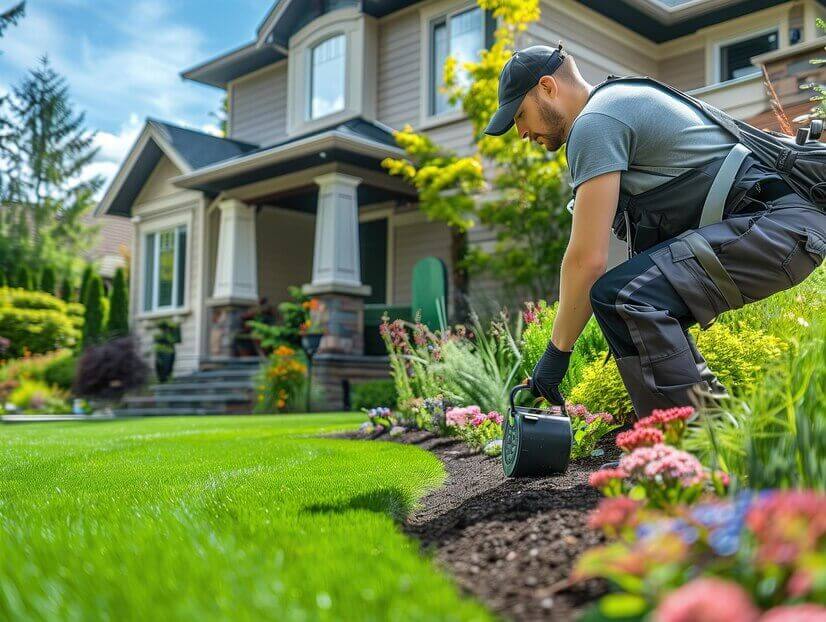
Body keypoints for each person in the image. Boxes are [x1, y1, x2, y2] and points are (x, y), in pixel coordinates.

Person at [484, 42, 826, 418]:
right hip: (781, 229)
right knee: (635, 295)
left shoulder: (596, 122)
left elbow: (586, 260)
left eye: (520, 115)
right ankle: (716, 429)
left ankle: (692, 438)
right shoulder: (614, 105)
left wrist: (556, 355)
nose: (521, 132)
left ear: (548, 87)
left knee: (624, 298)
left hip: (776, 224)